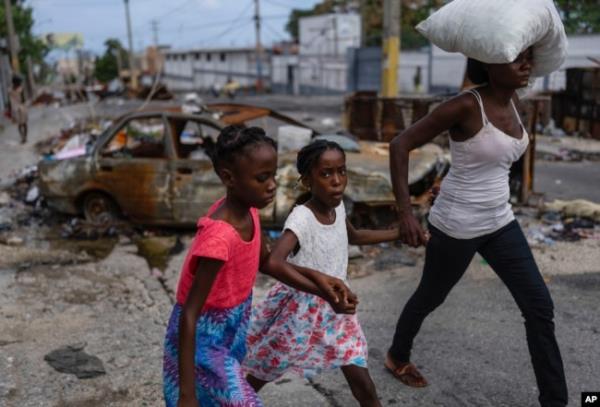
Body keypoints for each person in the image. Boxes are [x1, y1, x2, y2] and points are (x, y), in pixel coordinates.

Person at [386, 48, 568, 407]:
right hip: (457, 224)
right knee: (431, 296)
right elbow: (399, 144)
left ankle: (555, 401)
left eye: (528, 57)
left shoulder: (516, 100)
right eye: (516, 58)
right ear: (488, 62)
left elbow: (495, 161)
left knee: (539, 307)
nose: (526, 64)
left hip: (500, 220)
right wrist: (406, 212)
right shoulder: (465, 106)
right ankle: (397, 355)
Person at [163, 126, 356, 407]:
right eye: (262, 178)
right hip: (204, 342)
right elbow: (190, 314)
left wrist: (321, 282)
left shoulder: (249, 211)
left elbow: (266, 262)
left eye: (273, 175)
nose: (272, 185)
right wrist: (186, 394)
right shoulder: (219, 238)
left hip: (232, 330)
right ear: (229, 178)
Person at [244, 139, 403, 407]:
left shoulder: (338, 207)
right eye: (326, 173)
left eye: (342, 171)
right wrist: (320, 290)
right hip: (299, 312)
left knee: (362, 381)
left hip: (337, 309)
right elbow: (273, 262)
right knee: (260, 374)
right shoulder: (302, 218)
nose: (337, 180)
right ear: (307, 181)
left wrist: (399, 233)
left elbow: (355, 235)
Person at [9, 75, 28, 144]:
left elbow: (23, 99)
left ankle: (25, 137)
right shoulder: (10, 90)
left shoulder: (21, 89)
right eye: (19, 82)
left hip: (21, 107)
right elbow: (10, 101)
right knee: (19, 124)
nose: (20, 83)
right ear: (15, 82)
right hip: (15, 108)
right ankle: (22, 137)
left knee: (24, 123)